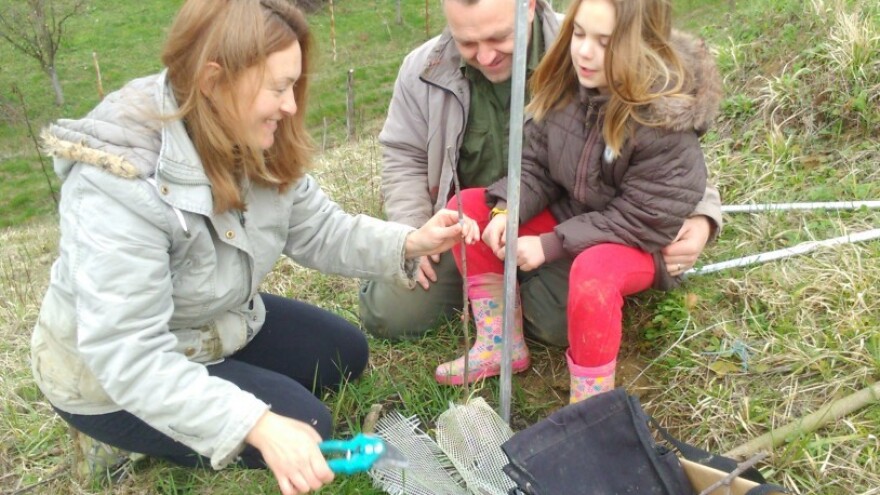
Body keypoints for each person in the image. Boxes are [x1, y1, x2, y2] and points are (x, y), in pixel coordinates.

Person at [31, 1, 477, 494]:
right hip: (110, 382)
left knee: (342, 354)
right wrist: (257, 425)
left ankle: (225, 382)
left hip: (208, 323)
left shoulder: (243, 129)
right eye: (279, 88)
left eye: (293, 86)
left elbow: (317, 229)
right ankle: (119, 440)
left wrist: (410, 242)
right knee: (304, 427)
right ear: (215, 80)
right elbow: (127, 353)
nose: (290, 106)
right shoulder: (118, 184)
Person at [359, 0, 722, 347]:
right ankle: (499, 303)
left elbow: (670, 155)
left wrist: (703, 215)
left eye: (499, 38)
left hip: (570, 224)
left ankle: (516, 298)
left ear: (529, 6)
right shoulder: (422, 68)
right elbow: (402, 153)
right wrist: (414, 231)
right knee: (388, 314)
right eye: (467, 42)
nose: (485, 55)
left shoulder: (584, 46)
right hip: (474, 225)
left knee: (558, 321)